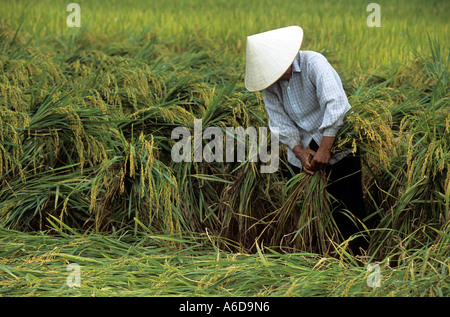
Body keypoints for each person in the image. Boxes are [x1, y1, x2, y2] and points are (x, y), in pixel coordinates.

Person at [244, 26, 368, 255]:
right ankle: (315, 259)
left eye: (277, 69)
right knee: (307, 211)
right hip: (303, 159)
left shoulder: (314, 64)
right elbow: (279, 121)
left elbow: (337, 105)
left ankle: (357, 258)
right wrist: (299, 151)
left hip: (337, 147)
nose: (277, 77)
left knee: (347, 208)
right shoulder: (271, 85)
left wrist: (324, 148)